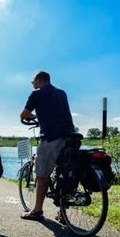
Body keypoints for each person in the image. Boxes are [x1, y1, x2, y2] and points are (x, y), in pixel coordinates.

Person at [19, 71, 75, 221]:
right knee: (64, 171)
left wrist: (32, 116)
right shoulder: (61, 93)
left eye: (33, 82)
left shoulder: (36, 93)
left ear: (38, 80)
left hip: (51, 137)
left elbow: (23, 114)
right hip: (70, 137)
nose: (33, 84)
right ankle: (63, 212)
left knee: (42, 175)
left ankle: (37, 211)